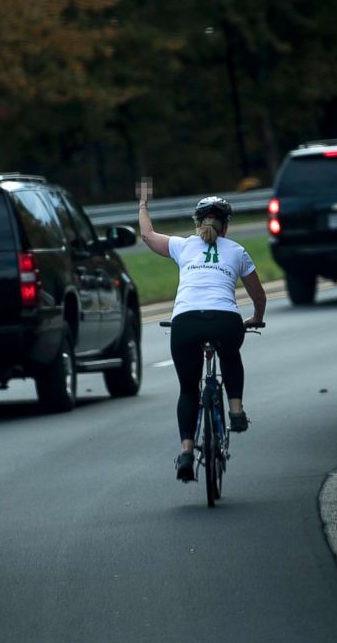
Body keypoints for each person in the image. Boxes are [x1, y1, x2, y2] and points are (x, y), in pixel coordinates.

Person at [137, 177, 267, 482]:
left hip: (185, 322)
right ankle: (235, 409)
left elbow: (146, 235)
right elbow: (258, 295)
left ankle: (185, 451)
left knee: (187, 389)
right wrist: (256, 317)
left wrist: (143, 204)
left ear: (198, 223)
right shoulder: (237, 250)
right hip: (225, 320)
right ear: (226, 227)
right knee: (231, 353)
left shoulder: (182, 246)